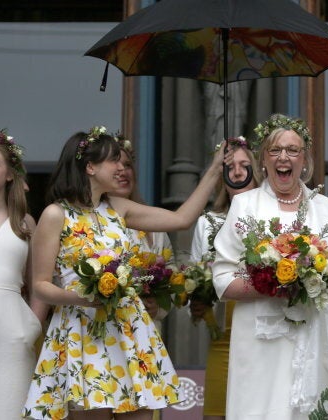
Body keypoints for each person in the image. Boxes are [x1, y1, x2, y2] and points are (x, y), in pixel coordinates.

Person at [23, 126, 224, 420]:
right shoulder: (56, 214)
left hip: (129, 330)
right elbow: (40, 285)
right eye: (113, 160)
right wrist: (82, 298)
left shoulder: (118, 207)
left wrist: (215, 169)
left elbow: (181, 219)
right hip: (84, 331)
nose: (121, 167)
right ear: (90, 167)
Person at [211, 114, 328, 419]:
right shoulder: (246, 206)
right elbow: (222, 280)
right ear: (264, 161)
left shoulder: (326, 209)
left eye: (293, 150)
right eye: (275, 150)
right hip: (260, 343)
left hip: (315, 339)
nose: (284, 157)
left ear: (305, 160)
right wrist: (272, 281)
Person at [189, 136, 260, 420]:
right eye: (231, 167)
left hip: (263, 334)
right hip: (222, 338)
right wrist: (196, 300)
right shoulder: (208, 222)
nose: (238, 171)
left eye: (245, 165)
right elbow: (197, 276)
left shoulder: (272, 215)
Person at [0, 130, 47, 419]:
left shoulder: (24, 223)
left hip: (14, 330)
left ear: (9, 174)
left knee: (10, 409)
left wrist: (32, 326)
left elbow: (38, 281)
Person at [110, 136, 173, 324]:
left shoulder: (153, 222)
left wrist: (158, 306)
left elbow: (171, 272)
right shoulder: (95, 222)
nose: (123, 171)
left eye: (127, 165)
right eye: (115, 164)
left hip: (148, 328)